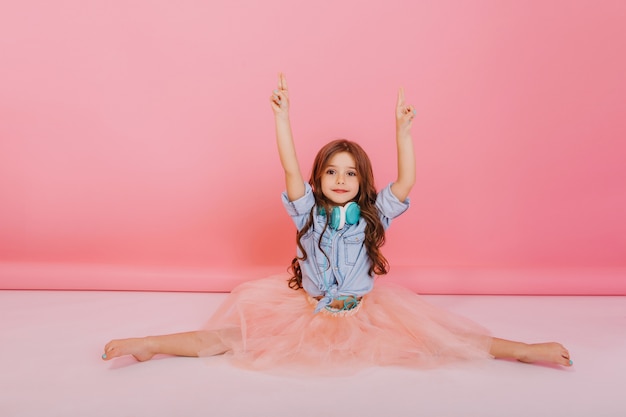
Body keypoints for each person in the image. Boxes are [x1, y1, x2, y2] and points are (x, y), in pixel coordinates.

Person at [102, 73, 573, 371]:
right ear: (319, 177)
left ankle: (522, 350)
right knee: (233, 339)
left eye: (350, 172)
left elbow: (407, 180)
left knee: (440, 339)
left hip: (363, 310)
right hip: (304, 308)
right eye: (332, 170)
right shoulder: (308, 211)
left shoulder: (372, 213)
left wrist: (401, 131)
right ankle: (151, 343)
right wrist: (282, 119)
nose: (341, 178)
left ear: (362, 180)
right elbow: (288, 169)